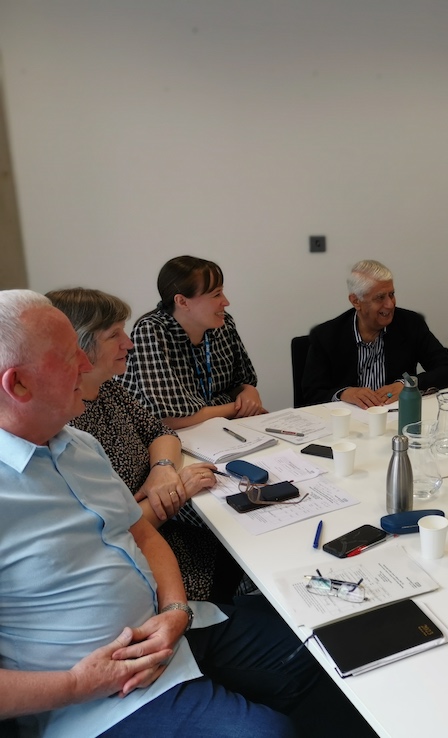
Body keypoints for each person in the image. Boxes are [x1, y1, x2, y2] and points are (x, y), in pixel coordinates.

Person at [0, 290, 349, 737]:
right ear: (19, 385)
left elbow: (141, 536)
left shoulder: (78, 445)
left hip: (177, 629)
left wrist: (176, 610)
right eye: (70, 357)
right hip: (101, 693)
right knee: (268, 731)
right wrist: (76, 683)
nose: (87, 366)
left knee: (324, 649)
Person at [47, 287, 242, 603]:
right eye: (114, 336)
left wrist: (163, 470)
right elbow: (112, 534)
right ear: (79, 347)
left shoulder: (108, 388)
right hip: (149, 563)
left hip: (170, 532)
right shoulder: (63, 427)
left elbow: (161, 432)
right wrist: (177, 490)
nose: (129, 343)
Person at [121, 255, 266, 429]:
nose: (226, 302)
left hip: (218, 429)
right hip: (165, 437)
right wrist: (236, 408)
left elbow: (242, 382)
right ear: (182, 301)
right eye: (216, 294)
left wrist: (250, 392)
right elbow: (169, 419)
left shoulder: (223, 323)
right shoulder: (151, 331)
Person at [301, 259, 448, 408]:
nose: (390, 304)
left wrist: (407, 384)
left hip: (397, 418)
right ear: (356, 301)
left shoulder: (410, 324)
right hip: (349, 423)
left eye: (391, 294)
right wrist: (344, 393)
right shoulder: (326, 336)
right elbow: (310, 394)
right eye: (380, 298)